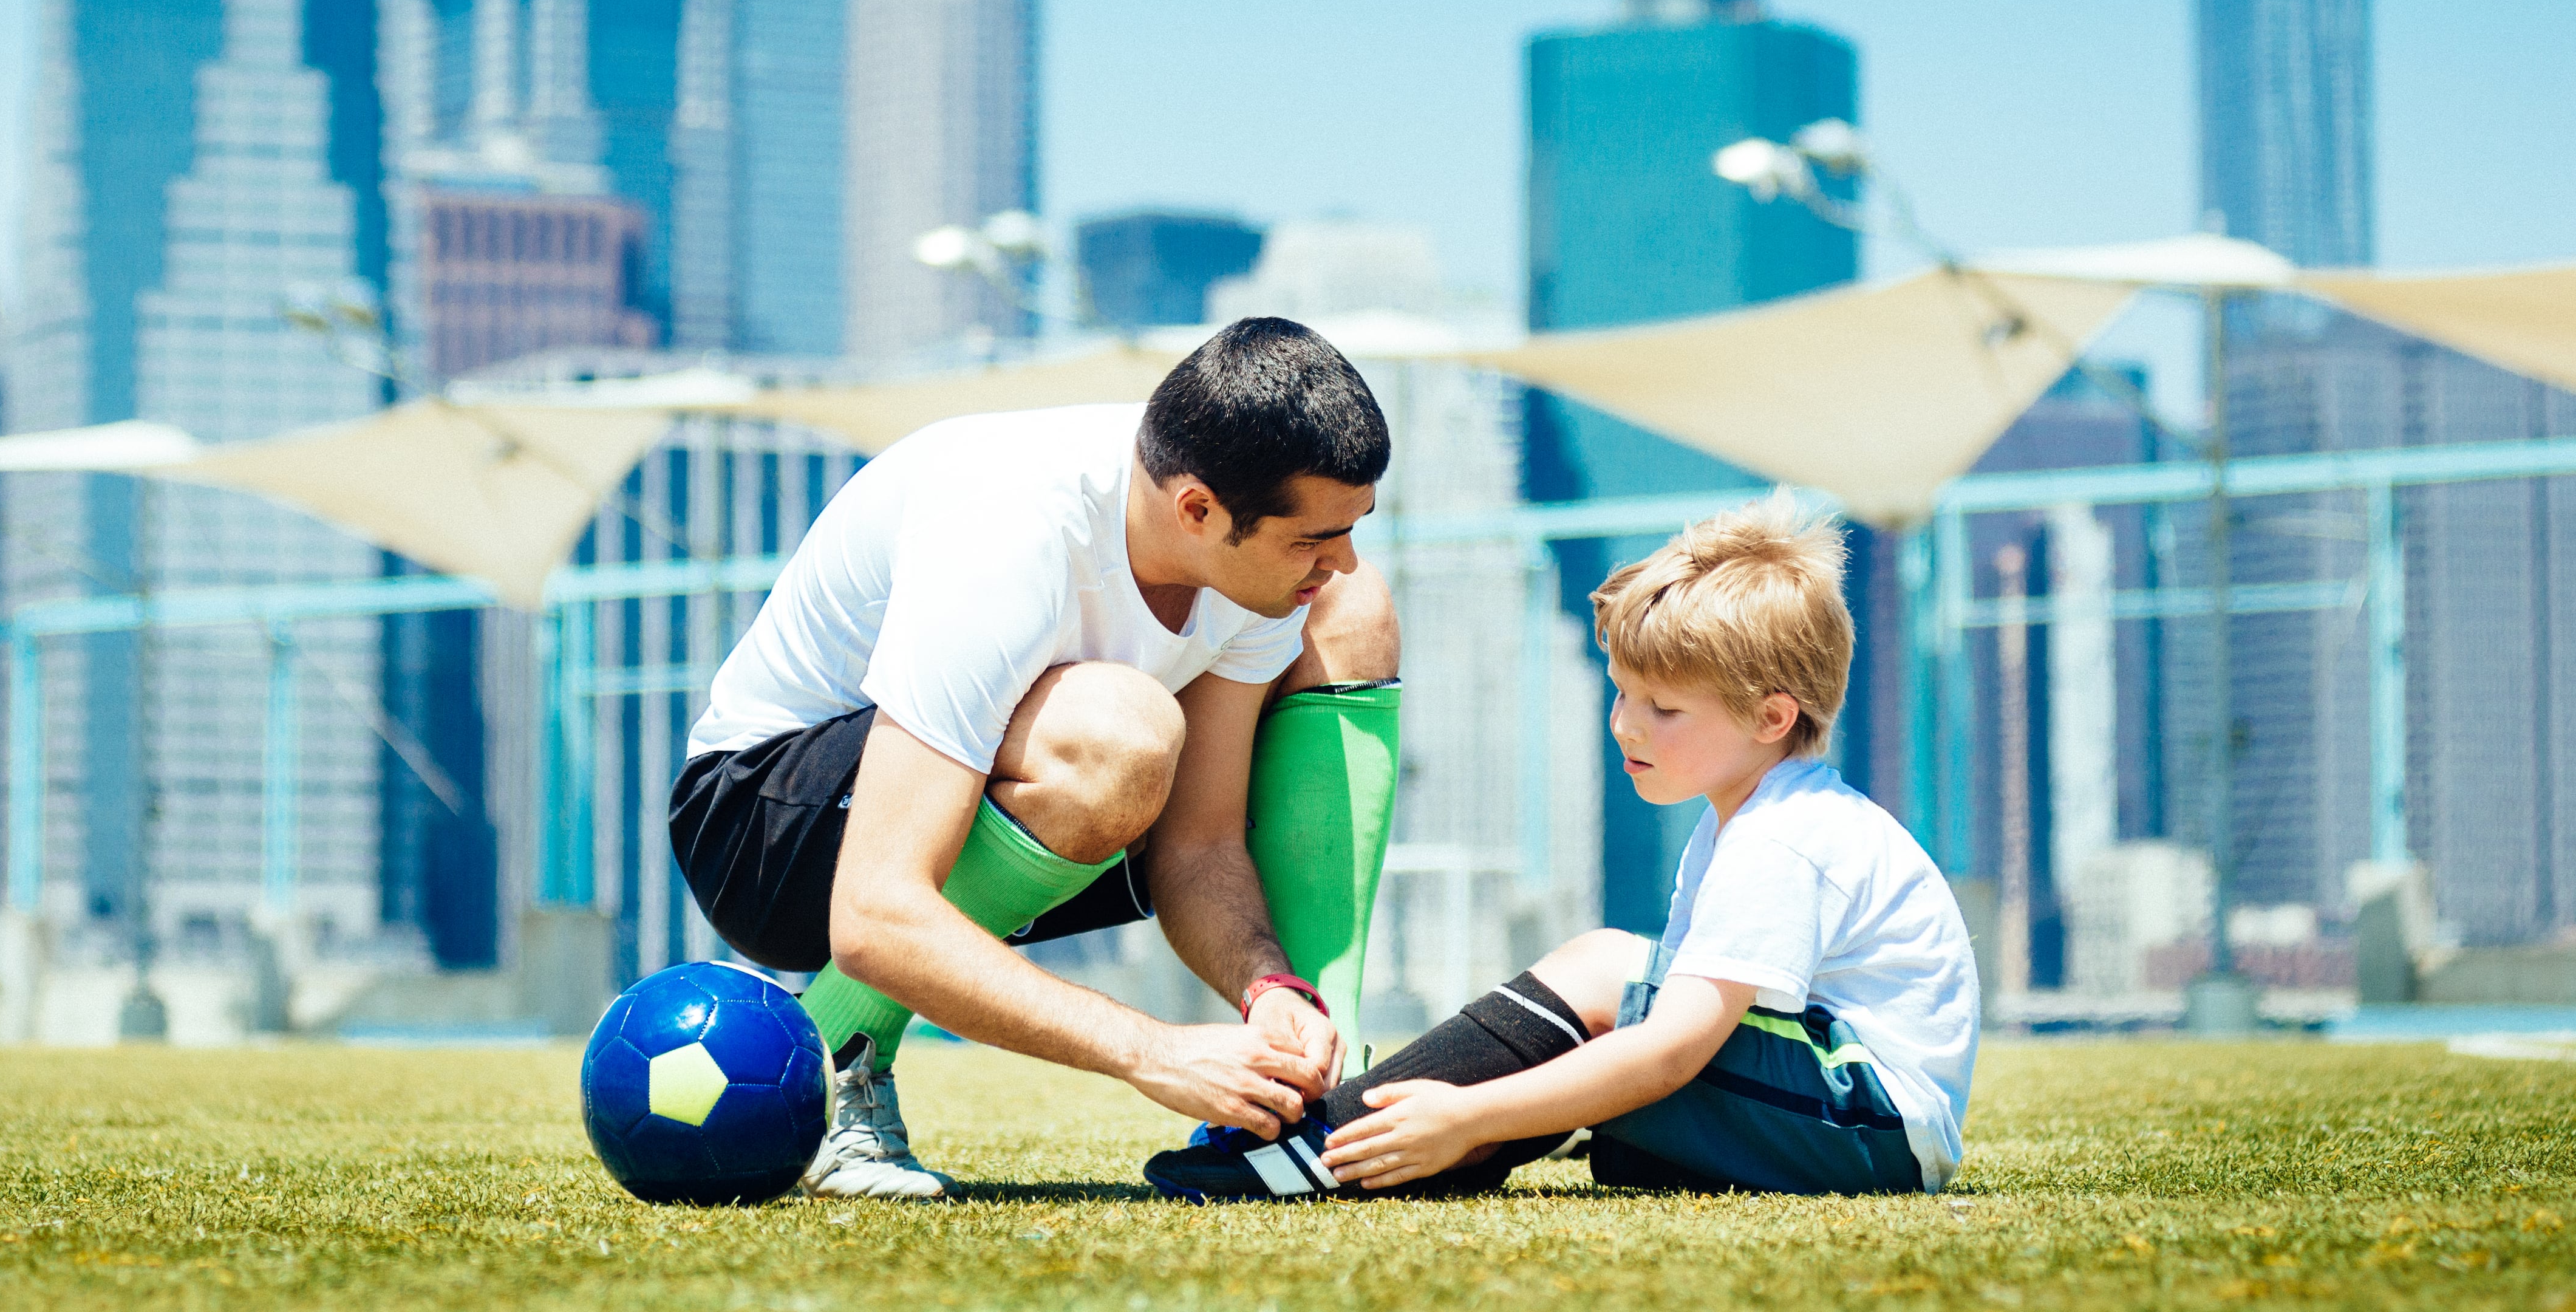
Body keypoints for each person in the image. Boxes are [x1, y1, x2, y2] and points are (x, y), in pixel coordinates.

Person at [670, 318, 1407, 1199]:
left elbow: (1200, 845)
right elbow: (872, 911)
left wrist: (1270, 988)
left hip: (1029, 804)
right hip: (764, 831)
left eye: (1353, 526)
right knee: (1117, 734)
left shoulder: (1255, 547)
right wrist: (1155, 1052)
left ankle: (1325, 1089)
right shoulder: (1007, 531)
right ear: (1198, 510)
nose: (1341, 555)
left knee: (1350, 612)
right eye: (1313, 538)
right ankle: (840, 1062)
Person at [1144, 496, 1980, 1202]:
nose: (1625, 723)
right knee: (1590, 1061)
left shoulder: (1782, 836)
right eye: (1622, 692)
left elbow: (1673, 1046)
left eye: (1664, 707)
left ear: (1773, 716)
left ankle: (1326, 1139)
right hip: (1853, 1114)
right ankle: (1379, 1146)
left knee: (1602, 967)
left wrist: (1471, 1113)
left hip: (1874, 1124)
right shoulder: (1751, 816)